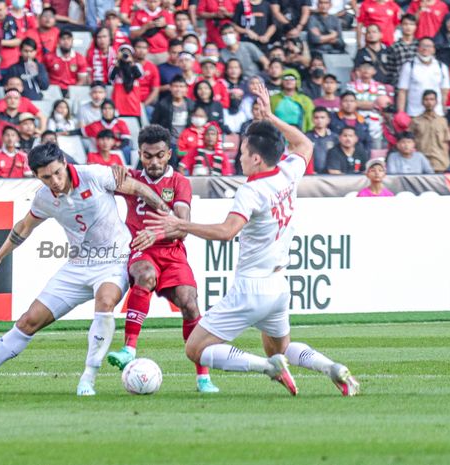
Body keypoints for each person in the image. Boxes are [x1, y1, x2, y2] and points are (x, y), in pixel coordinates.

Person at [145, 81, 359, 397]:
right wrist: (271, 117)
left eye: (244, 152)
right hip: (278, 288)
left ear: (257, 158)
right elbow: (305, 145)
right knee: (281, 348)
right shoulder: (287, 171)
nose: (239, 158)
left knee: (195, 349)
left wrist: (181, 225)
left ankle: (267, 368)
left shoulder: (251, 190)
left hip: (250, 288)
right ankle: (332, 368)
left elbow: (227, 231)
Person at [0, 143, 171, 396]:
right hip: (77, 266)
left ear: (64, 163)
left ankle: (87, 379)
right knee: (28, 321)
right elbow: (24, 227)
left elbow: (137, 188)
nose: (55, 181)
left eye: (57, 172)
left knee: (105, 301)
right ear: (37, 176)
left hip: (115, 260)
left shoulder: (94, 175)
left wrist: (168, 215)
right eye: (46, 177)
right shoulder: (44, 198)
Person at [104, 124, 218, 393]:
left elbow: (183, 223)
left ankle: (203, 377)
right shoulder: (130, 178)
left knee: (190, 304)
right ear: (140, 154)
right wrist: (111, 171)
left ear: (169, 154)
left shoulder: (179, 182)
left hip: (173, 252)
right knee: (144, 275)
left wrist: (155, 233)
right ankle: (129, 349)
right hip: (142, 250)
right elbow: (97, 181)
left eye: (159, 155)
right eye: (147, 156)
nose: (153, 162)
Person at [410, 90, 450, 172]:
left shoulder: (443, 121)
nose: (429, 102)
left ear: (436, 102)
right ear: (422, 102)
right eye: (426, 99)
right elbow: (410, 141)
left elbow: (446, 143)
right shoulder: (415, 121)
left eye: (432, 99)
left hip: (440, 162)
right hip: (421, 161)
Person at [152, 75, 195, 151]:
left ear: (186, 89)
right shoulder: (162, 104)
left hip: (187, 141)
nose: (178, 89)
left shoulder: (192, 105)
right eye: (175, 86)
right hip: (168, 142)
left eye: (181, 87)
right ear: (170, 88)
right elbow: (154, 124)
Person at [130, 0, 176, 65]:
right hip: (145, 53)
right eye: (150, 1)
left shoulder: (166, 14)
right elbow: (132, 35)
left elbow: (173, 35)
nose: (152, 4)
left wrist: (164, 26)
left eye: (155, 1)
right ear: (146, 1)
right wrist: (145, 27)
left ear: (160, 2)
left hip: (163, 52)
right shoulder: (139, 13)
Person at [43, 30, 88, 95]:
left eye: (68, 39)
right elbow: (44, 77)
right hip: (53, 91)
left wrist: (73, 92)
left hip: (73, 89)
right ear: (58, 41)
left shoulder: (79, 58)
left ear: (72, 41)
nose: (66, 41)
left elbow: (82, 80)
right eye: (63, 39)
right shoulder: (48, 57)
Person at [270, 68, 315, 133]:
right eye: (286, 78)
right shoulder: (273, 99)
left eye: (292, 79)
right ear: (281, 81)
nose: (289, 81)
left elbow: (310, 121)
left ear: (297, 81)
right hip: (277, 137)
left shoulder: (305, 100)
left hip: (299, 136)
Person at [386, 14, 418, 87]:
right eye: (405, 24)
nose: (408, 27)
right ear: (401, 26)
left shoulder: (419, 46)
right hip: (399, 84)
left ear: (415, 27)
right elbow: (390, 71)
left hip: (417, 84)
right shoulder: (394, 47)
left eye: (411, 24)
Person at [307, 107, 337, 173]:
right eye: (316, 117)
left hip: (332, 174)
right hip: (312, 174)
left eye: (322, 117)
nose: (319, 120)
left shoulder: (335, 137)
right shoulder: (306, 137)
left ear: (328, 120)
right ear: (312, 119)